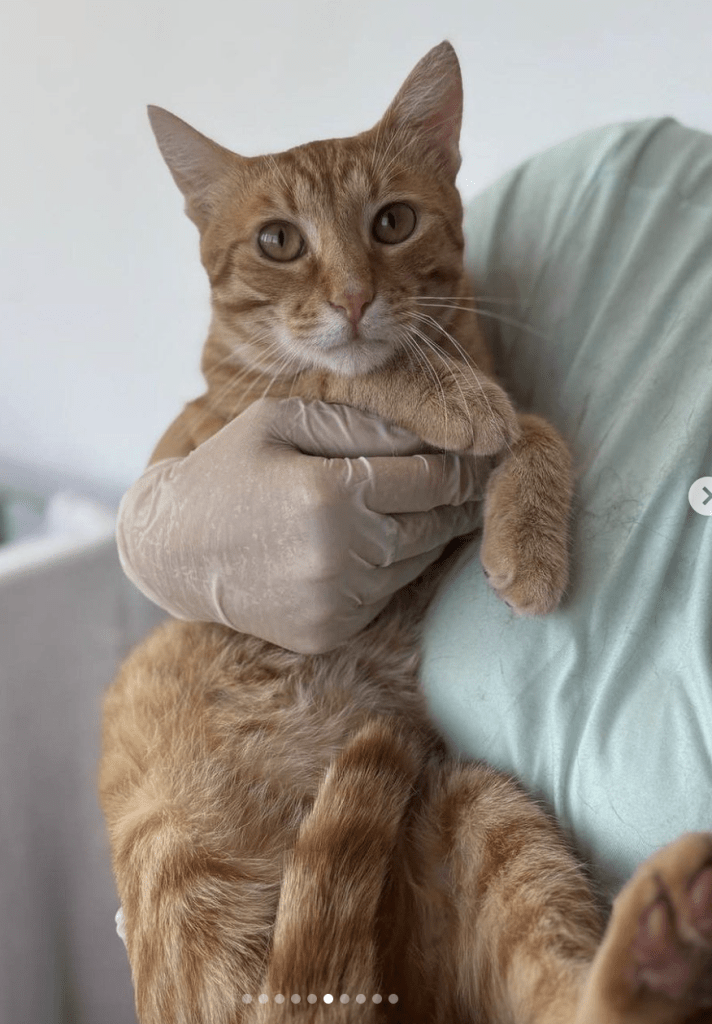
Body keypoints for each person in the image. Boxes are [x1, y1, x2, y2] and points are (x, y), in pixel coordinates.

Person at [118, 117, 712, 900]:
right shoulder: (615, 176)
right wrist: (150, 532)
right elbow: (195, 436)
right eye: (279, 243)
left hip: (479, 855)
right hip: (288, 798)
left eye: (389, 224)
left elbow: (489, 431)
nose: (350, 290)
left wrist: (522, 450)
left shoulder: (457, 322)